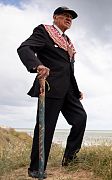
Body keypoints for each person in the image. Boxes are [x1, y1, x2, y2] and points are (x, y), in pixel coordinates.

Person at [17, 6, 87, 178]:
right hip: (50, 87)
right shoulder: (44, 31)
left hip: (69, 90)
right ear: (55, 17)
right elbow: (24, 48)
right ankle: (35, 168)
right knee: (45, 128)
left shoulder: (68, 42)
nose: (68, 18)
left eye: (71, 17)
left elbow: (69, 69)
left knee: (80, 119)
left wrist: (76, 90)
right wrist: (37, 65)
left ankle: (69, 159)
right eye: (64, 15)